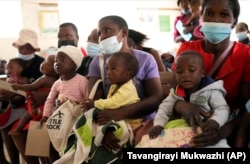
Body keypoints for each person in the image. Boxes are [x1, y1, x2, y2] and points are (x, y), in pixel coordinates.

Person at [171, 0, 250, 148]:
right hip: (187, 124)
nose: (215, 19)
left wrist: (225, 130)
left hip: (226, 125)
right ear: (201, 17)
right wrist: (181, 105)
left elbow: (246, 106)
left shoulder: (245, 55)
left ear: (234, 22)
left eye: (224, 14)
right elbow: (173, 92)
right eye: (209, 13)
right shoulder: (187, 50)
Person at [87, 15, 162, 153]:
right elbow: (93, 102)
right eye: (99, 33)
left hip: (144, 123)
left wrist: (120, 113)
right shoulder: (97, 63)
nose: (102, 36)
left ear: (123, 33)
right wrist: (104, 130)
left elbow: (156, 98)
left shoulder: (145, 59)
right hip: (110, 124)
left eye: (107, 30)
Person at [149, 50, 230, 148]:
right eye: (179, 72)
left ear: (202, 73)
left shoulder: (211, 90)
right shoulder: (176, 91)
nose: (185, 75)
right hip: (181, 129)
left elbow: (222, 108)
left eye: (191, 70)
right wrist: (159, 124)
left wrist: (215, 121)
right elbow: (164, 108)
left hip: (207, 129)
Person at [72, 52, 140, 163]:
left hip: (131, 124)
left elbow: (112, 103)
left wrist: (94, 103)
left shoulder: (128, 89)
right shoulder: (114, 85)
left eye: (113, 69)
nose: (108, 73)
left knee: (100, 128)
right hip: (118, 118)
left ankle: (98, 155)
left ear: (128, 74)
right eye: (107, 69)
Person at [0, 28, 44, 164]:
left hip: (35, 104)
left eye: (28, 46)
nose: (25, 49)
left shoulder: (41, 63)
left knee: (36, 131)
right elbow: (9, 84)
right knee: (5, 128)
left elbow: (43, 87)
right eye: (23, 46)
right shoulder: (13, 62)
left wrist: (24, 88)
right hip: (15, 104)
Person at [9, 55, 58, 136]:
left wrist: (18, 87)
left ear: (55, 70)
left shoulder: (45, 79)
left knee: (27, 116)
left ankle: (17, 130)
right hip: (45, 104)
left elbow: (31, 87)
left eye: (48, 64)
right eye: (44, 61)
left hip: (43, 106)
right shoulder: (53, 79)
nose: (43, 64)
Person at [40, 45, 88, 125]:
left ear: (74, 64)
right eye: (56, 60)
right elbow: (50, 100)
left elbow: (88, 100)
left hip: (76, 120)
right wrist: (46, 115)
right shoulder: (57, 83)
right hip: (60, 119)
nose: (57, 63)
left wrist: (75, 105)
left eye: (63, 60)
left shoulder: (82, 81)